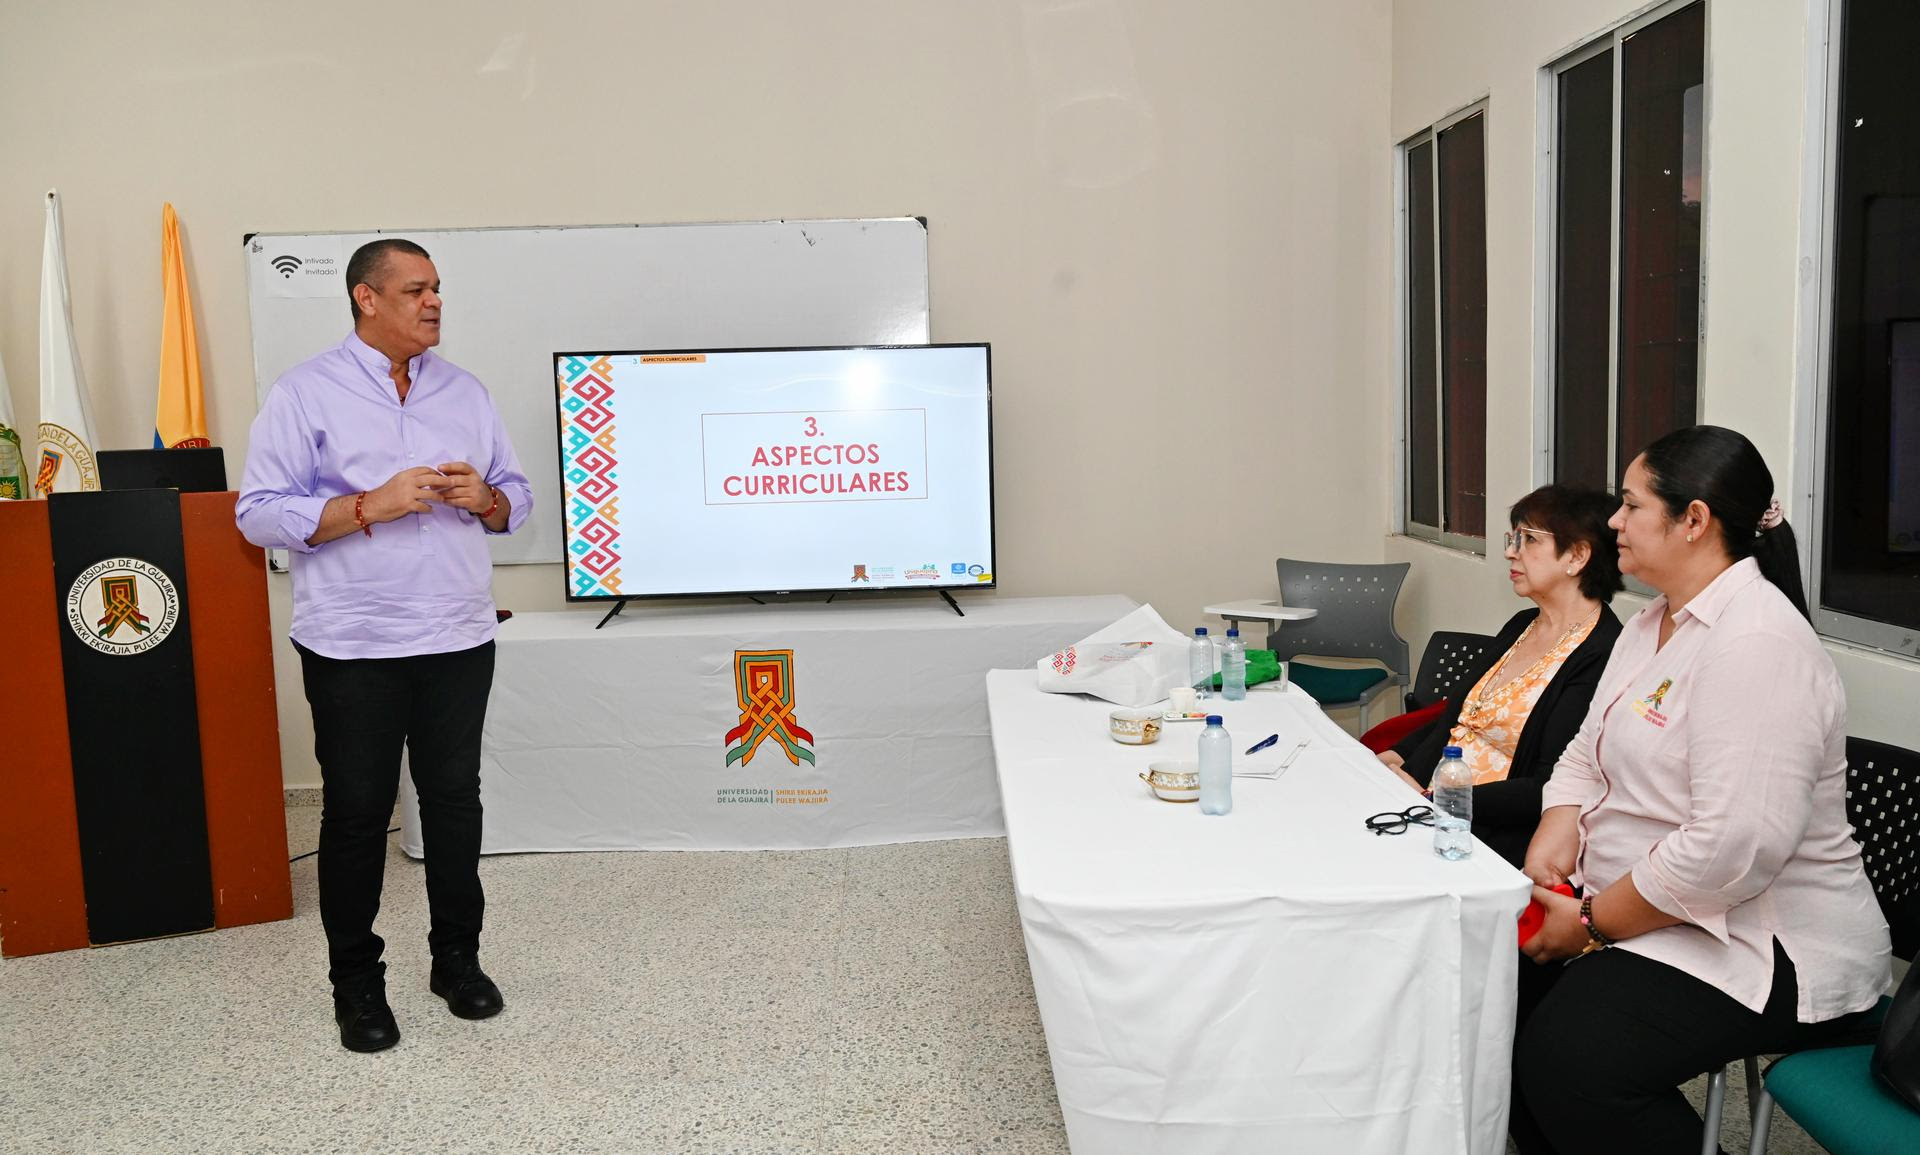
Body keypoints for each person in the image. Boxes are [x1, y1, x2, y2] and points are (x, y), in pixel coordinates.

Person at [1511, 426, 1890, 1152]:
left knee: (1572, 1057)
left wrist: (1591, 922)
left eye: (1630, 505)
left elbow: (1729, 849)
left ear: (1694, 520)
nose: (1614, 520)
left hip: (1766, 937)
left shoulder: (1757, 645)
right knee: (1500, 999)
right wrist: (1555, 827)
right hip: (1659, 905)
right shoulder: (1653, 622)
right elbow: (1585, 753)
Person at [236, 238, 533, 1053]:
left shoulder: (466, 392)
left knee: (453, 803)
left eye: (437, 289)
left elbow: (520, 498)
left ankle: (457, 962)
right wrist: (370, 503)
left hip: (457, 634)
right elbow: (258, 512)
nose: (433, 302)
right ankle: (357, 986)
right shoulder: (304, 393)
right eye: (415, 290)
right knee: (360, 813)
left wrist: (490, 499)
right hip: (352, 642)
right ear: (367, 299)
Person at [1377, 484, 1624, 867]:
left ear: (1577, 555)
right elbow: (1460, 718)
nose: (1510, 551)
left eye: (1528, 539)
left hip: (1483, 834)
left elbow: (1551, 785)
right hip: (1422, 800)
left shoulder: (1600, 653)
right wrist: (1392, 757)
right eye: (1514, 537)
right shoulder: (1523, 623)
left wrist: (1435, 800)